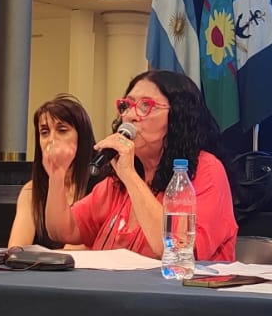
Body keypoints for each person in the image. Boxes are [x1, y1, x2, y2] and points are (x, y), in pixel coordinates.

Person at [42, 70, 238, 261]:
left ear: (178, 117)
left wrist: (130, 176)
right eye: (127, 105)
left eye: (146, 106)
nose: (129, 116)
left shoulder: (207, 170)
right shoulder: (117, 181)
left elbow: (177, 250)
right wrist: (57, 175)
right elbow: (63, 231)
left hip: (179, 283)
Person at [7, 94, 96, 249]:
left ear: (82, 137)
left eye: (62, 130)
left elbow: (78, 250)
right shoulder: (31, 191)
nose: (51, 140)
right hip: (37, 265)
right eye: (44, 132)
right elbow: (16, 249)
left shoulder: (101, 187)